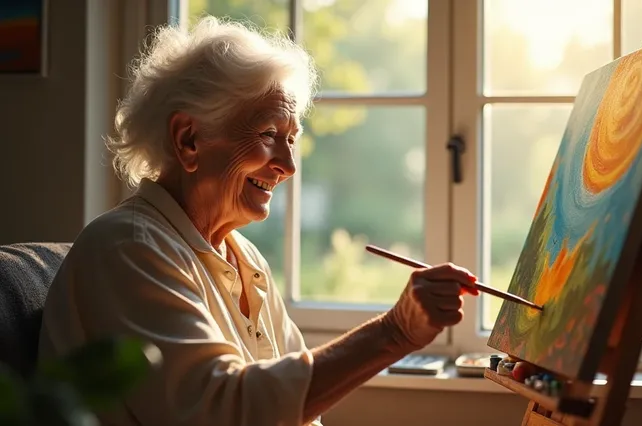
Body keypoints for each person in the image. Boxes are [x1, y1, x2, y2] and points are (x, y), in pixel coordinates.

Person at [38, 16, 478, 426]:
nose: (287, 165)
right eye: (269, 135)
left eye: (291, 140)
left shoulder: (242, 255)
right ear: (189, 139)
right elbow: (223, 410)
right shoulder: (128, 247)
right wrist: (395, 332)